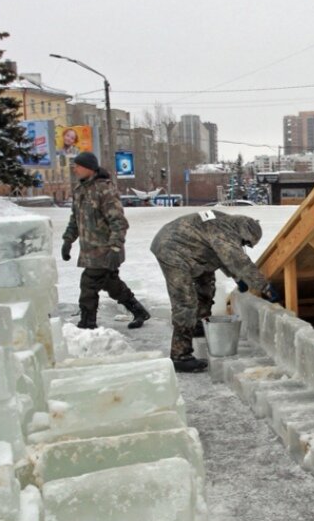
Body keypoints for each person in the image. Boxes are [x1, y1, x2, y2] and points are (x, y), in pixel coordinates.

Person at [151, 210, 280, 373]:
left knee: (207, 286)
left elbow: (223, 256)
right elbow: (238, 259)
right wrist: (265, 287)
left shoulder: (227, 224)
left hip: (195, 250)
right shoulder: (224, 231)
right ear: (243, 233)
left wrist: (237, 278)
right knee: (185, 302)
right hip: (171, 249)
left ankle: (198, 324)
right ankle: (180, 356)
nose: (243, 246)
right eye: (245, 242)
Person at [60, 151, 150, 330]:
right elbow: (75, 219)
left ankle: (87, 323)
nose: (75, 169)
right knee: (111, 284)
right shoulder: (80, 190)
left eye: (78, 166)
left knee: (88, 285)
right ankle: (139, 311)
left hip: (105, 250)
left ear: (88, 168)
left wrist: (115, 248)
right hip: (89, 251)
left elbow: (119, 222)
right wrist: (68, 240)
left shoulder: (105, 190)